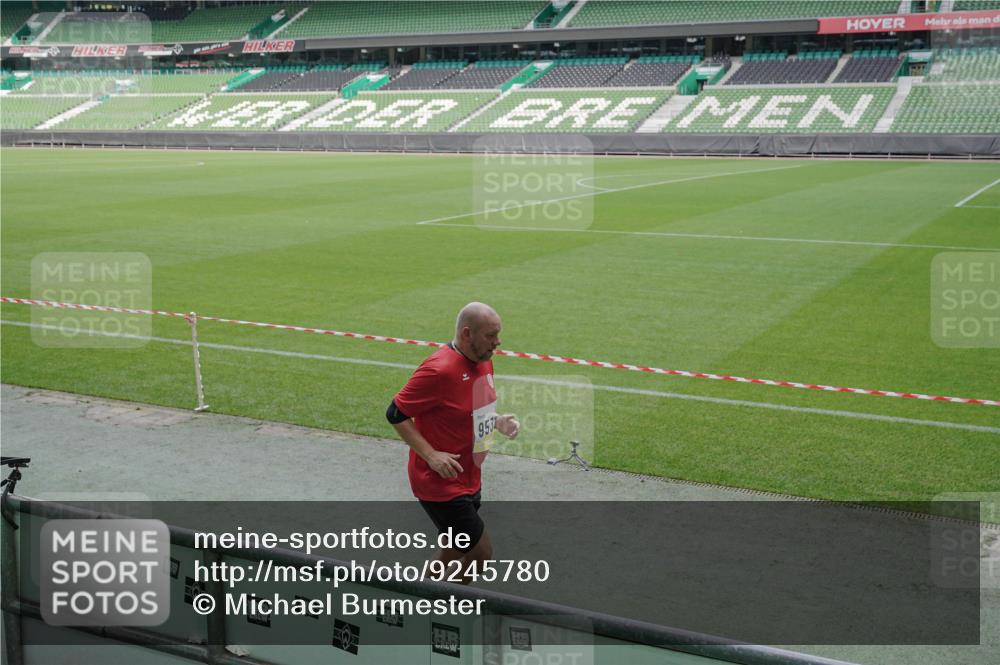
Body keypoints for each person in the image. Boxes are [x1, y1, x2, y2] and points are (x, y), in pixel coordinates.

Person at [386, 302, 519, 584]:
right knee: (481, 553)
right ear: (467, 333)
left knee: (455, 548)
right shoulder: (439, 370)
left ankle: (419, 594)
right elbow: (395, 413)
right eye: (491, 335)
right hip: (439, 481)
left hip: (469, 473)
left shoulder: (484, 359)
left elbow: (471, 406)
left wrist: (496, 421)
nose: (498, 342)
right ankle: (447, 608)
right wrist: (431, 454)